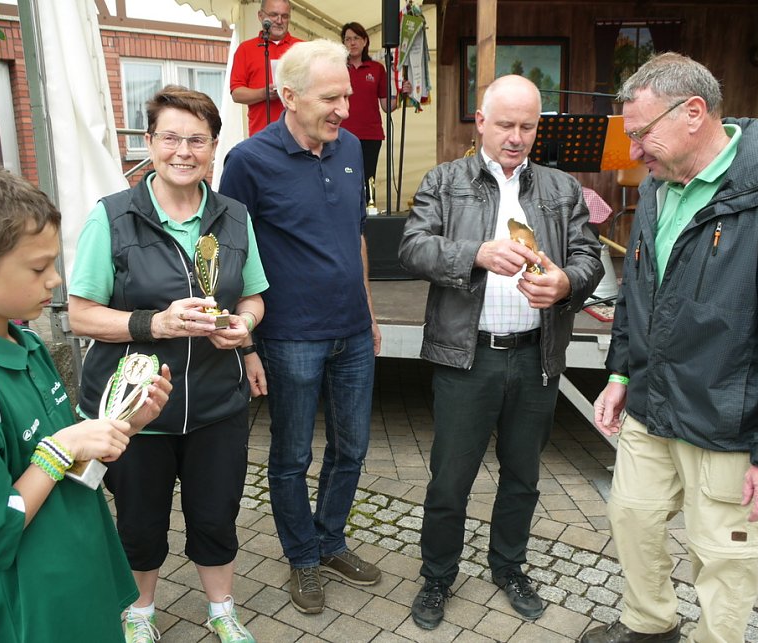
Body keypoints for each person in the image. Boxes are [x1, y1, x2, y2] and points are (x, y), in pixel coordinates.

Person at [582, 53, 758, 643]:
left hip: (727, 421)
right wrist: (620, 375)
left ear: (694, 114)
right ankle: (649, 627)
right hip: (650, 406)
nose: (633, 152)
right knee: (633, 519)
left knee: (722, 559)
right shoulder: (657, 186)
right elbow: (637, 293)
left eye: (640, 134)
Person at [399, 75, 603, 631]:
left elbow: (589, 257)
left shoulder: (562, 188)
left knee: (523, 476)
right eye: (505, 124)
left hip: (536, 356)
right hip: (467, 358)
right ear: (481, 122)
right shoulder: (445, 181)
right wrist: (476, 253)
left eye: (527, 126)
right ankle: (438, 575)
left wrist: (565, 283)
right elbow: (412, 247)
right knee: (450, 478)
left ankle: (509, 566)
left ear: (539, 126)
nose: (516, 137)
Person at [0, 154, 171, 642]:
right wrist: (59, 449)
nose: (56, 280)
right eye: (39, 267)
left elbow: (73, 469)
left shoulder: (26, 344)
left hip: (80, 576)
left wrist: (123, 423)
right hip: (31, 611)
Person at [68, 86, 268, 643]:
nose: (184, 151)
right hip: (132, 413)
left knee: (216, 515)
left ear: (214, 148)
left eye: (197, 140)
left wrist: (243, 328)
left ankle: (223, 610)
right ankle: (139, 613)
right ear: (150, 142)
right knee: (138, 521)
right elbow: (80, 315)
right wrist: (153, 324)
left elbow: (253, 297)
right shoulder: (112, 216)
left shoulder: (234, 217)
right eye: (171, 137)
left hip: (214, 405)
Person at [219, 39, 382, 615]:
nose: (343, 108)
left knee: (352, 449)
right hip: (289, 337)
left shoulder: (353, 149)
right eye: (330, 97)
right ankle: (303, 557)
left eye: (345, 94)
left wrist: (368, 310)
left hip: (353, 332)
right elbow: (229, 256)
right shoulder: (248, 161)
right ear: (288, 97)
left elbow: (354, 236)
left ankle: (331, 540)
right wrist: (248, 347)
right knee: (290, 458)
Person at [340, 21, 410, 202]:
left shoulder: (377, 69)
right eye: (348, 39)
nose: (352, 43)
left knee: (367, 177)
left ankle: (368, 216)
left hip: (370, 135)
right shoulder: (337, 68)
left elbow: (387, 106)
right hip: (341, 134)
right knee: (344, 176)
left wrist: (403, 95)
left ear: (365, 41)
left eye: (356, 38)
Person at [230, 0, 302, 137]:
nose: (279, 20)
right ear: (260, 16)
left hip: (298, 135)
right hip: (261, 134)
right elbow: (236, 93)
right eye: (274, 15)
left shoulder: (302, 48)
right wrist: (264, 93)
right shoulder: (245, 49)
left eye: (285, 16)